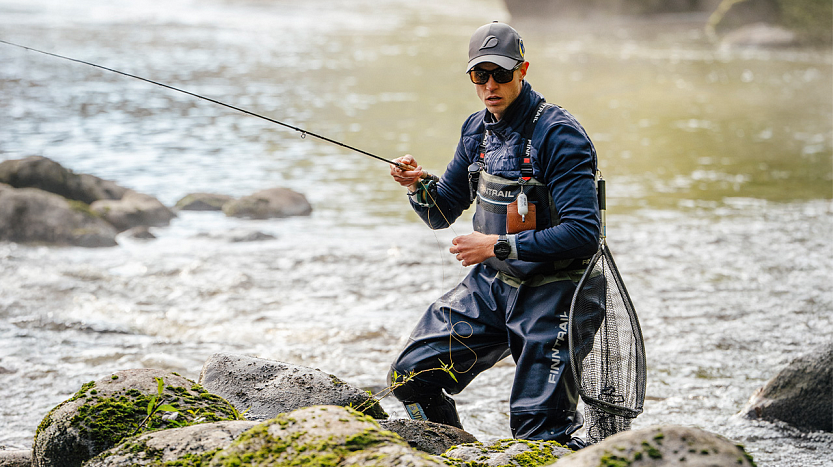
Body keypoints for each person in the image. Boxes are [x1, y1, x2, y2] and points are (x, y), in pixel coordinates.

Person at [387, 21, 600, 449]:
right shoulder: (475, 130)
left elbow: (584, 234)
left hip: (557, 292)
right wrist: (416, 186)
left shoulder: (559, 135)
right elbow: (442, 211)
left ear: (522, 70)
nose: (490, 85)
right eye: (479, 75)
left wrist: (496, 246)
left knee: (538, 434)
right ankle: (458, 456)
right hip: (492, 286)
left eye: (501, 74)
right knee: (410, 377)